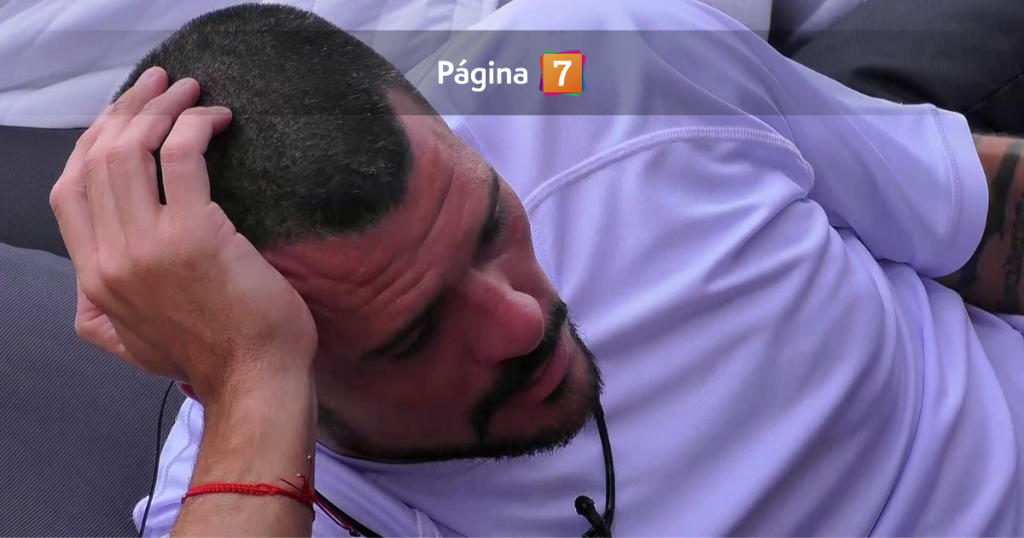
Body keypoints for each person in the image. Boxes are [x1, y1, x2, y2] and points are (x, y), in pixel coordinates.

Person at [48, 0, 1024, 535]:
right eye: (415, 335)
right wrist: (253, 386)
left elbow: (979, 220)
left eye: (488, 226)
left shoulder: (608, 68)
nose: (519, 321)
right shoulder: (261, 490)